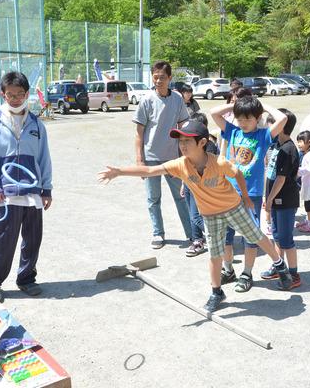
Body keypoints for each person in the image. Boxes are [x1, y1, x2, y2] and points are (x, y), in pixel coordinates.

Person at [98, 120, 293, 312]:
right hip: (210, 215)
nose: (182, 146)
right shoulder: (180, 165)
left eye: (187, 141)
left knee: (256, 237)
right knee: (214, 254)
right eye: (180, 141)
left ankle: (280, 265)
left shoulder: (219, 162)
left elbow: (238, 175)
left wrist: (246, 198)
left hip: (233, 207)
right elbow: (150, 170)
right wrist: (119, 172)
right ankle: (216, 292)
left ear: (202, 142)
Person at [0, 71, 53, 302]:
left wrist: (46, 189)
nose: (16, 99)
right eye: (10, 95)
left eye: (20, 94)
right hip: (5, 194)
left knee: (33, 239)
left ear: (27, 94)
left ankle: (27, 279)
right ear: (3, 94)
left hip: (32, 194)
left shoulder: (36, 124)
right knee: (3, 241)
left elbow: (44, 158)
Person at [210, 96, 288, 292]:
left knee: (250, 237)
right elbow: (213, 113)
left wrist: (263, 106)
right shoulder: (233, 131)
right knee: (225, 236)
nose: (243, 123)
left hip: (250, 195)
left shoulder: (263, 135)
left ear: (257, 117)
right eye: (240, 119)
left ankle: (247, 273)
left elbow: (282, 119)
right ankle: (228, 270)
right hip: (227, 192)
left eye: (248, 119)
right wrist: (235, 106)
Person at [133, 60, 192, 249]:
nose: (158, 81)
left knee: (181, 196)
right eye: (156, 77)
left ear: (170, 78)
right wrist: (139, 160)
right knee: (153, 198)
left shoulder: (177, 99)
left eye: (162, 78)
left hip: (173, 158)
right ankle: (158, 233)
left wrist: (188, 153)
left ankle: (192, 234)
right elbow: (139, 133)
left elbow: (184, 126)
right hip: (151, 157)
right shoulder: (146, 100)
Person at [260, 108, 302, 289]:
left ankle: (293, 275)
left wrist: (269, 200)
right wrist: (266, 196)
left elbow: (281, 179)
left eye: (273, 124)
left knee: (286, 240)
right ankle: (279, 267)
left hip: (285, 201)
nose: (270, 127)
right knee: (277, 237)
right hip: (274, 199)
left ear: (282, 127)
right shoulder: (276, 145)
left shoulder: (289, 149)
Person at [181, 113, 219, 257]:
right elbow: (185, 164)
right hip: (188, 183)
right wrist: (183, 183)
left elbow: (204, 167)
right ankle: (197, 240)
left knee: (196, 216)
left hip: (200, 186)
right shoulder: (189, 144)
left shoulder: (209, 146)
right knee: (192, 216)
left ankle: (217, 237)